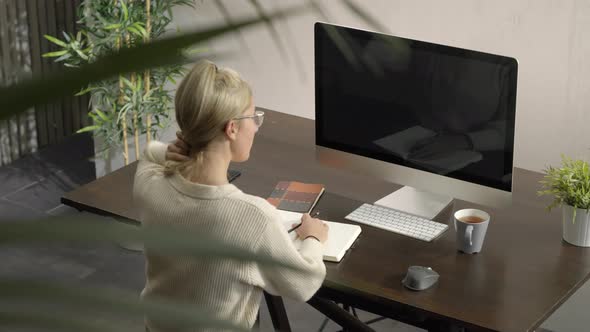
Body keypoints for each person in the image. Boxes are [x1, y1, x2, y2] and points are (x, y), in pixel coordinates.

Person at [133, 60, 329, 331]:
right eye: (253, 118)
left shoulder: (151, 185)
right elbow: (303, 283)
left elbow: (148, 154)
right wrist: (313, 238)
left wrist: (171, 152)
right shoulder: (253, 216)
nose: (256, 127)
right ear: (232, 128)